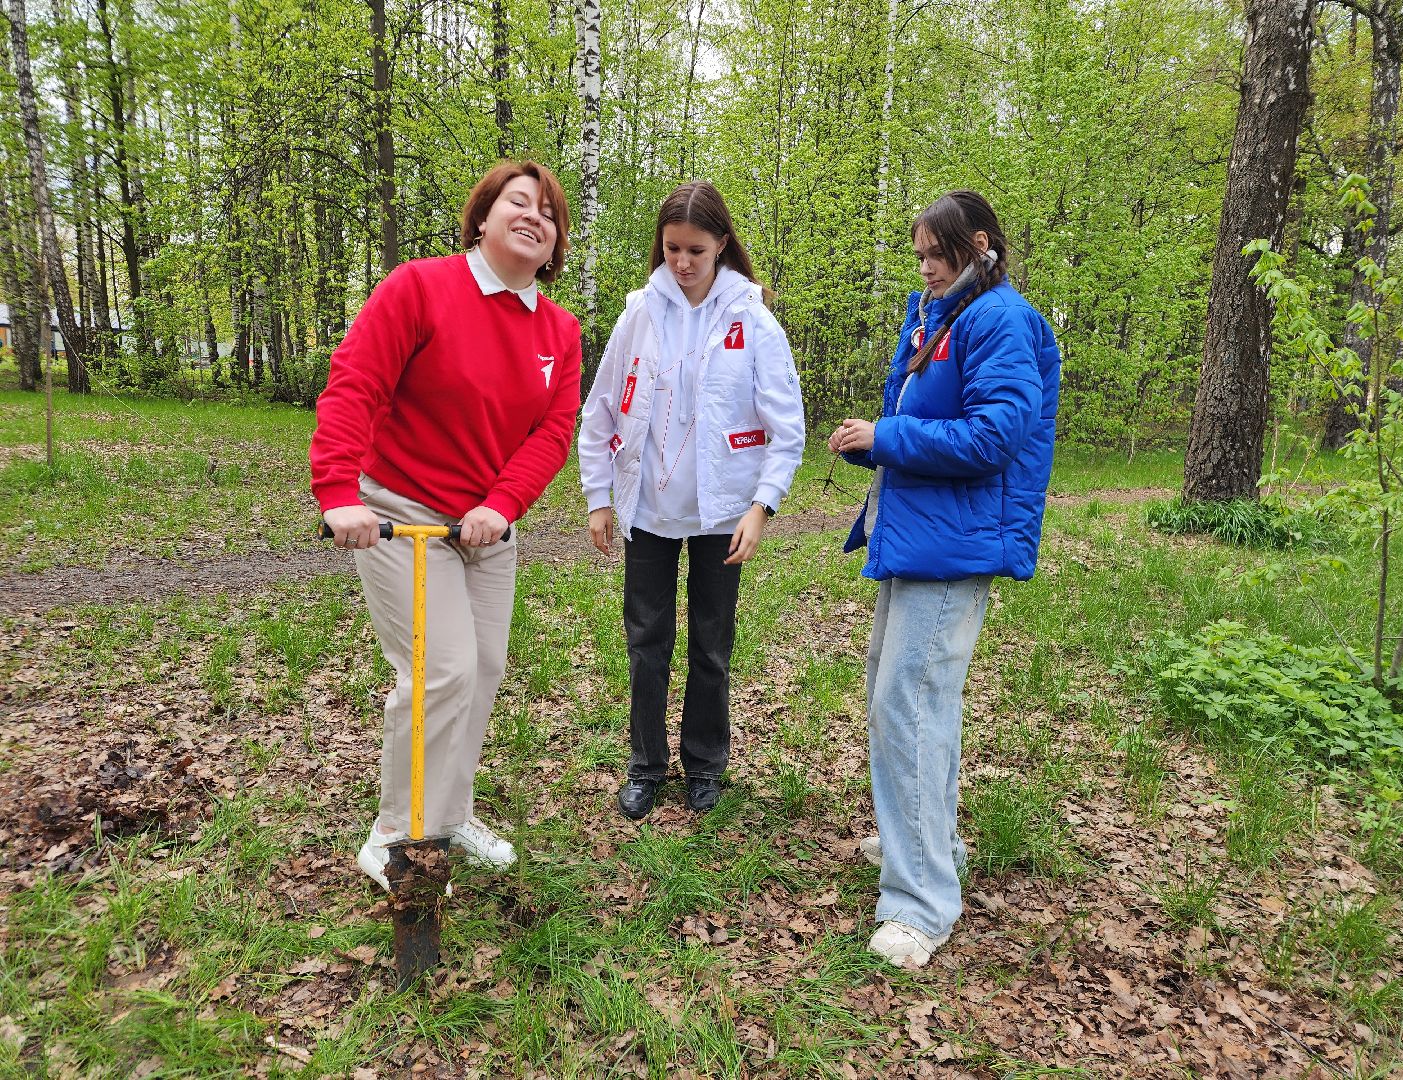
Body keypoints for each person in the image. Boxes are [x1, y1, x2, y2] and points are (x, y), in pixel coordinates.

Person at [309, 160, 582, 890]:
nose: (534, 217)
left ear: (556, 244)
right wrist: (338, 490)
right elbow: (357, 381)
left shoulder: (560, 329)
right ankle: (396, 832)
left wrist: (502, 504)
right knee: (441, 670)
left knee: (482, 672)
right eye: (517, 203)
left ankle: (448, 813)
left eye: (548, 213)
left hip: (487, 529)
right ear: (482, 217)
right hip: (401, 515)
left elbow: (552, 433)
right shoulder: (420, 287)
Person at [828, 190, 1059, 967]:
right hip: (919, 536)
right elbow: (934, 418)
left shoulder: (998, 320)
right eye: (920, 254)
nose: (925, 266)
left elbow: (996, 434)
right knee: (902, 698)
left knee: (911, 702)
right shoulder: (942, 318)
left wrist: (887, 434)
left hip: (956, 546)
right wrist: (877, 445)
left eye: (938, 253)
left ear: (980, 245)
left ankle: (921, 903)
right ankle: (929, 846)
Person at [578, 181, 806, 820]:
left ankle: (705, 766)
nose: (681, 263)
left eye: (696, 251)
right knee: (646, 640)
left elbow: (786, 427)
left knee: (712, 641)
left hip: (722, 514)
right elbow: (598, 412)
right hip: (649, 509)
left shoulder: (753, 321)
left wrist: (760, 507)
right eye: (672, 248)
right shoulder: (639, 316)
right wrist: (601, 498)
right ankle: (646, 767)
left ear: (721, 247)